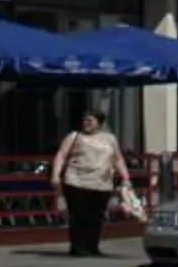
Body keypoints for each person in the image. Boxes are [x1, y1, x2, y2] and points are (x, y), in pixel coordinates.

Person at [53, 109, 125, 258]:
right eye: (84, 120)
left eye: (90, 120)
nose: (86, 123)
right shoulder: (75, 136)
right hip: (76, 181)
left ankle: (93, 246)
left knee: (96, 216)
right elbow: (61, 155)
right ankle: (78, 247)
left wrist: (126, 177)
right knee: (79, 215)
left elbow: (117, 159)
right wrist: (55, 175)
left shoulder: (110, 139)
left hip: (102, 182)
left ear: (99, 123)